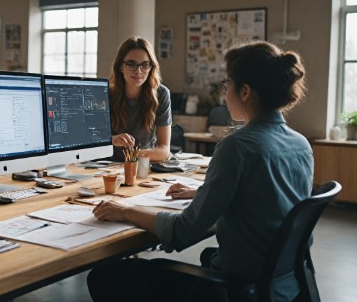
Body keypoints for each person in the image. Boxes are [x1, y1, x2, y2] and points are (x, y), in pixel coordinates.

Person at [88, 41, 312, 301]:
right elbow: (264, 199)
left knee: (104, 276)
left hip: (240, 287)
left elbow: (183, 230)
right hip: (284, 285)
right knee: (206, 257)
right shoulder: (301, 144)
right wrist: (204, 192)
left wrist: (125, 210)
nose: (224, 93)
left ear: (246, 92)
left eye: (227, 85)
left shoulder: (236, 146)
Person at [109, 37, 171, 162]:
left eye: (145, 65)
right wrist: (112, 139)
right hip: (108, 167)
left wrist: (134, 154)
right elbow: (91, 140)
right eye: (131, 64)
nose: (138, 71)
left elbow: (164, 150)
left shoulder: (161, 94)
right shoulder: (107, 94)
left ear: (151, 67)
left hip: (143, 166)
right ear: (120, 66)